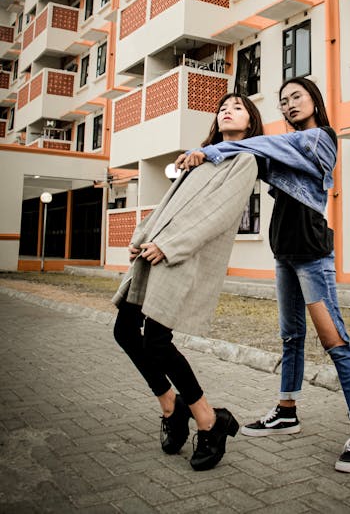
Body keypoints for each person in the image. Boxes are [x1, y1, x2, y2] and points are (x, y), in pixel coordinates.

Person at [176, 77, 350, 473]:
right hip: (285, 254)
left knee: (335, 342)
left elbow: (263, 146)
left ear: (314, 101)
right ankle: (287, 411)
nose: (289, 105)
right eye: (283, 101)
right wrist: (210, 155)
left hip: (311, 255)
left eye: (296, 97)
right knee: (291, 337)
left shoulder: (320, 139)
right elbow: (250, 157)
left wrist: (211, 148)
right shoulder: (280, 149)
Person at [113, 93, 263, 471]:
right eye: (223, 107)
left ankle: (209, 420)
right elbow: (169, 202)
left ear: (251, 121)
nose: (228, 110)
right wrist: (141, 236)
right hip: (154, 250)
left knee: (158, 341)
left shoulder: (244, 161)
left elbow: (218, 215)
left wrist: (170, 245)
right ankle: (170, 405)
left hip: (182, 255)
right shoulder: (202, 156)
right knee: (125, 330)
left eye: (238, 107)